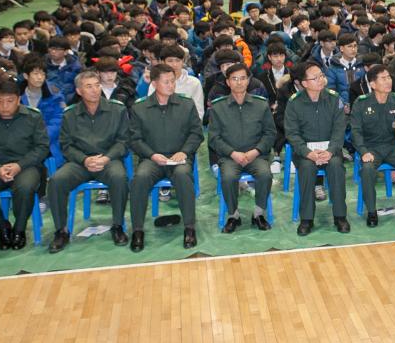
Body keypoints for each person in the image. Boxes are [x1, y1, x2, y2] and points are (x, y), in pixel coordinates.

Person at [46, 69, 131, 252]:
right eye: (88, 86)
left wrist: (107, 158)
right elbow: (66, 146)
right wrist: (85, 160)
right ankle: (61, 230)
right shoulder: (70, 114)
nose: (94, 90)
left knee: (119, 178)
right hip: (80, 162)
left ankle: (117, 226)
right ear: (79, 91)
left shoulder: (117, 110)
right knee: (56, 181)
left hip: (109, 160)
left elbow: (124, 141)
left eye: (97, 85)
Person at [128, 63, 203, 251]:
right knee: (140, 178)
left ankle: (189, 228)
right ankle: (137, 230)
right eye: (166, 82)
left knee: (183, 176)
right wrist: (152, 155)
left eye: (173, 81)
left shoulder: (186, 105)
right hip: (152, 159)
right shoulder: (140, 108)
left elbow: (196, 133)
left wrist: (184, 152)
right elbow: (135, 139)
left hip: (179, 158)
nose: (171, 85)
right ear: (154, 83)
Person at [0, 81, 51, 250]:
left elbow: (42, 148)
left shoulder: (33, 117)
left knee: (25, 187)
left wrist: (19, 165)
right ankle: (3, 227)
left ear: (18, 100)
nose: (4, 106)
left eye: (9, 101)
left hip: (26, 166)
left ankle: (19, 229)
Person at [209, 63, 277, 233]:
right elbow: (213, 138)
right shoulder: (218, 107)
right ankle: (233, 215)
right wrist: (232, 153)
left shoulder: (261, 105)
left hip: (256, 155)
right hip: (230, 157)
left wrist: (256, 151)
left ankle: (259, 214)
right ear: (228, 82)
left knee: (265, 174)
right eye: (234, 79)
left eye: (242, 78)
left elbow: (270, 133)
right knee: (229, 177)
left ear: (248, 81)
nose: (239, 82)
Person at [285, 61, 349, 235]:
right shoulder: (294, 103)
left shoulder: (334, 98)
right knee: (306, 168)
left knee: (336, 167)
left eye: (322, 75)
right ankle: (307, 219)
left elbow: (339, 129)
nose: (321, 80)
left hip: (330, 149)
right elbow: (292, 134)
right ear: (304, 83)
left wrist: (330, 150)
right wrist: (308, 153)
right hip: (305, 152)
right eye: (315, 78)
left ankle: (340, 216)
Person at [351, 64, 395, 227]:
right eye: (383, 78)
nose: (388, 81)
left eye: (389, 77)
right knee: (367, 170)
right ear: (373, 84)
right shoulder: (361, 103)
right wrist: (363, 151)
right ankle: (372, 212)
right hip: (370, 148)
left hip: (392, 147)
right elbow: (355, 131)